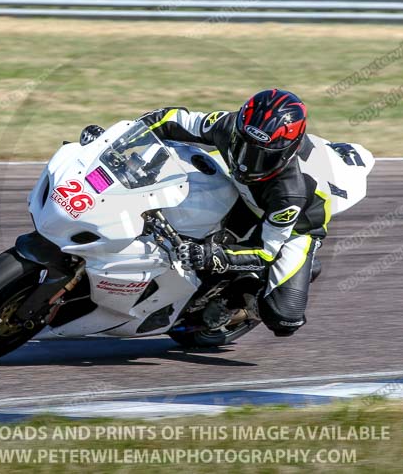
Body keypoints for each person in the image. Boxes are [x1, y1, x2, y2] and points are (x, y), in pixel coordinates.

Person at [138, 89, 329, 337]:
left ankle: (237, 304)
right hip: (243, 194)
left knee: (284, 317)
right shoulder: (227, 124)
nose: (247, 161)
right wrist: (121, 135)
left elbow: (266, 251)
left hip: (292, 228)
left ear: (286, 152)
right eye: (244, 146)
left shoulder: (289, 193)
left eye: (262, 156)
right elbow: (172, 119)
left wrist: (213, 256)